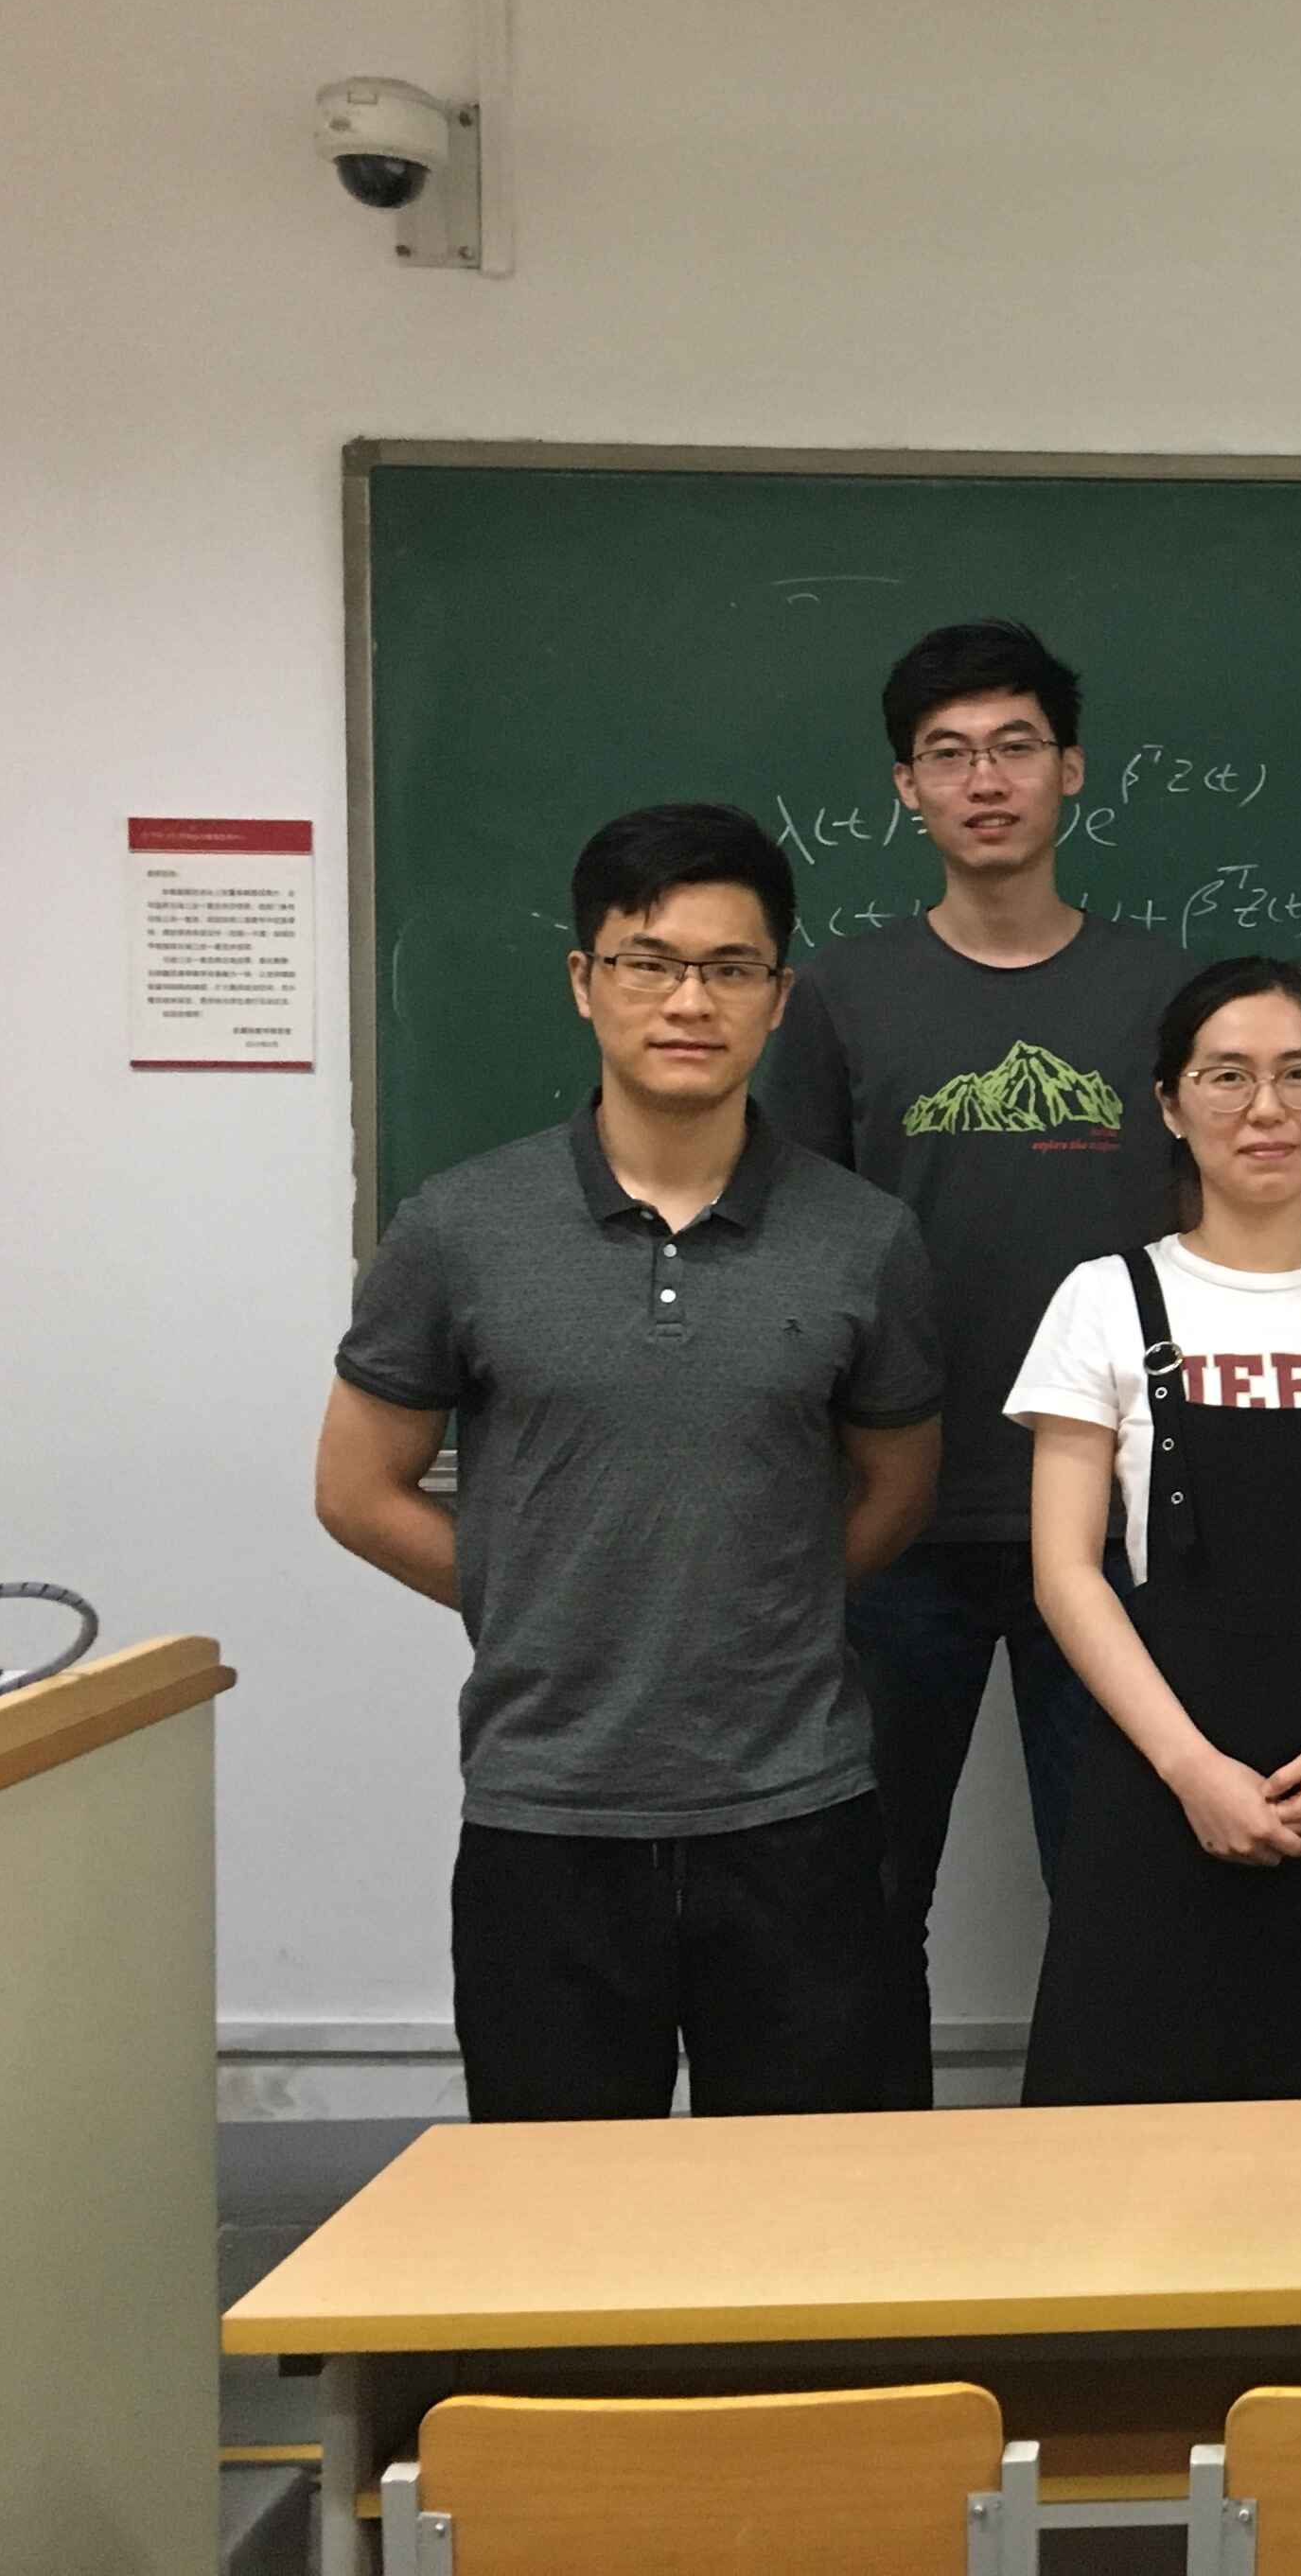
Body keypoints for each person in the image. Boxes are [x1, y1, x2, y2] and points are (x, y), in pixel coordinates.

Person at [315, 803, 942, 2122]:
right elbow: (358, 1491)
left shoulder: (864, 1237)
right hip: (547, 1816)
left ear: (778, 997)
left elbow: (896, 1488)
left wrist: (760, 1596)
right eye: (648, 962)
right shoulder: (460, 1226)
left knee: (810, 2204)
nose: (688, 1002)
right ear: (583, 980)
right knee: (556, 2209)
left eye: (730, 967)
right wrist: (538, 1590)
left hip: (797, 1812)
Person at [754, 618, 1188, 2104]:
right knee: (861, 1902)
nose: (984, 780)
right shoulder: (837, 997)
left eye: (1013, 747)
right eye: (948, 755)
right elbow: (787, 1251)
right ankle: (885, 2195)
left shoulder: (1166, 995)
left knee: (1121, 1897)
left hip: (1118, 1521)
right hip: (893, 1525)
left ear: (1071, 770)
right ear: (906, 789)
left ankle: (1103, 2195)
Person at [1000, 958, 1301, 2104]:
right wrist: (1191, 1770)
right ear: (1170, 1103)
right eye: (1228, 1076)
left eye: (1300, 1074)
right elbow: (1065, 1571)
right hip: (1158, 1776)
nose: (1268, 1108)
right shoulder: (1105, 1298)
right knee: (1134, 2132)